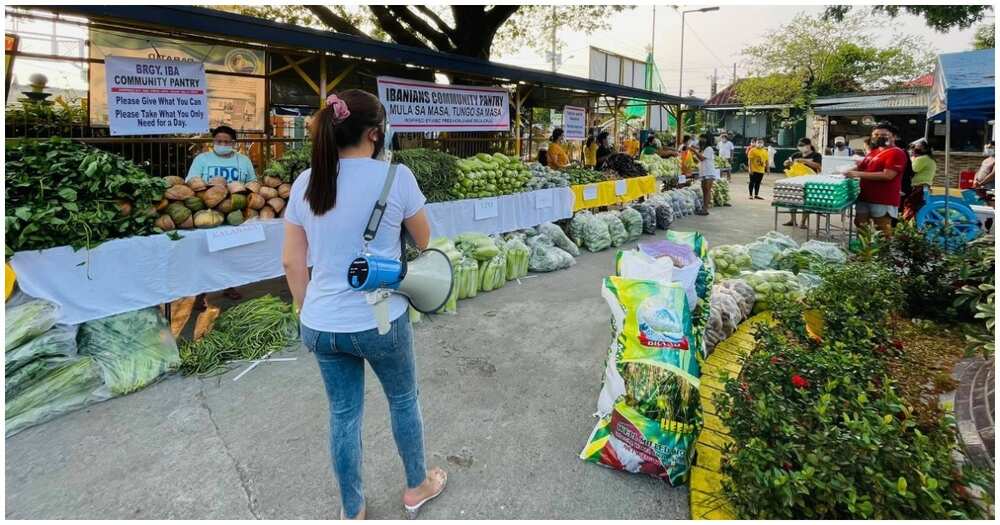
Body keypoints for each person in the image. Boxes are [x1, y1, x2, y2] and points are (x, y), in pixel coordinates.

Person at [281, 90, 446, 520]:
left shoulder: (305, 182)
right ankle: (416, 486)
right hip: (379, 320)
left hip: (321, 322)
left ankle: (352, 508)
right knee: (403, 399)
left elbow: (291, 260)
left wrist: (306, 310)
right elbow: (426, 242)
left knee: (343, 414)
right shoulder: (397, 178)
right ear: (375, 133)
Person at [844, 121, 908, 238]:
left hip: (883, 199)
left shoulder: (897, 153)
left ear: (893, 136)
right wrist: (842, 171)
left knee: (883, 230)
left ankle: (884, 255)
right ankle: (864, 255)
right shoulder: (874, 152)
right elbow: (861, 166)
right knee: (861, 226)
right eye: (876, 135)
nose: (879, 137)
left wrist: (857, 174)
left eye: (883, 135)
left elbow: (888, 175)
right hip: (865, 197)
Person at [186, 125, 256, 183]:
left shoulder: (244, 160)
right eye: (219, 141)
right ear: (213, 141)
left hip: (237, 198)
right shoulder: (201, 159)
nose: (222, 144)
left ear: (233, 143)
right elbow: (191, 181)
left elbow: (252, 183)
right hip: (209, 198)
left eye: (226, 142)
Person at [782, 138, 823, 229]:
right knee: (792, 199)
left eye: (803, 145)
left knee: (806, 202)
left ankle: (803, 222)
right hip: (795, 180)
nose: (801, 147)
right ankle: (793, 220)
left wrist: (805, 161)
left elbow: (819, 166)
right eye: (799, 146)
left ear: (809, 145)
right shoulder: (796, 155)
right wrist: (787, 163)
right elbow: (786, 163)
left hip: (810, 181)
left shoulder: (816, 155)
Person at [902, 138, 936, 220]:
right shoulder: (929, 158)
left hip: (919, 186)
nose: (914, 149)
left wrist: (912, 158)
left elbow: (912, 170)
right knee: (915, 207)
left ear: (925, 149)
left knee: (910, 205)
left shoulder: (922, 158)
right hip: (924, 186)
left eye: (917, 147)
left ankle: (905, 224)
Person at [692, 134, 719, 215]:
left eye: (702, 139)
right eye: (700, 139)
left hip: (709, 172)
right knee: (704, 191)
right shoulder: (703, 149)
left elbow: (702, 158)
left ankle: (705, 209)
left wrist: (694, 151)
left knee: (707, 190)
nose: (701, 141)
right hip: (704, 172)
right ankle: (704, 208)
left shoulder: (709, 148)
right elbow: (699, 160)